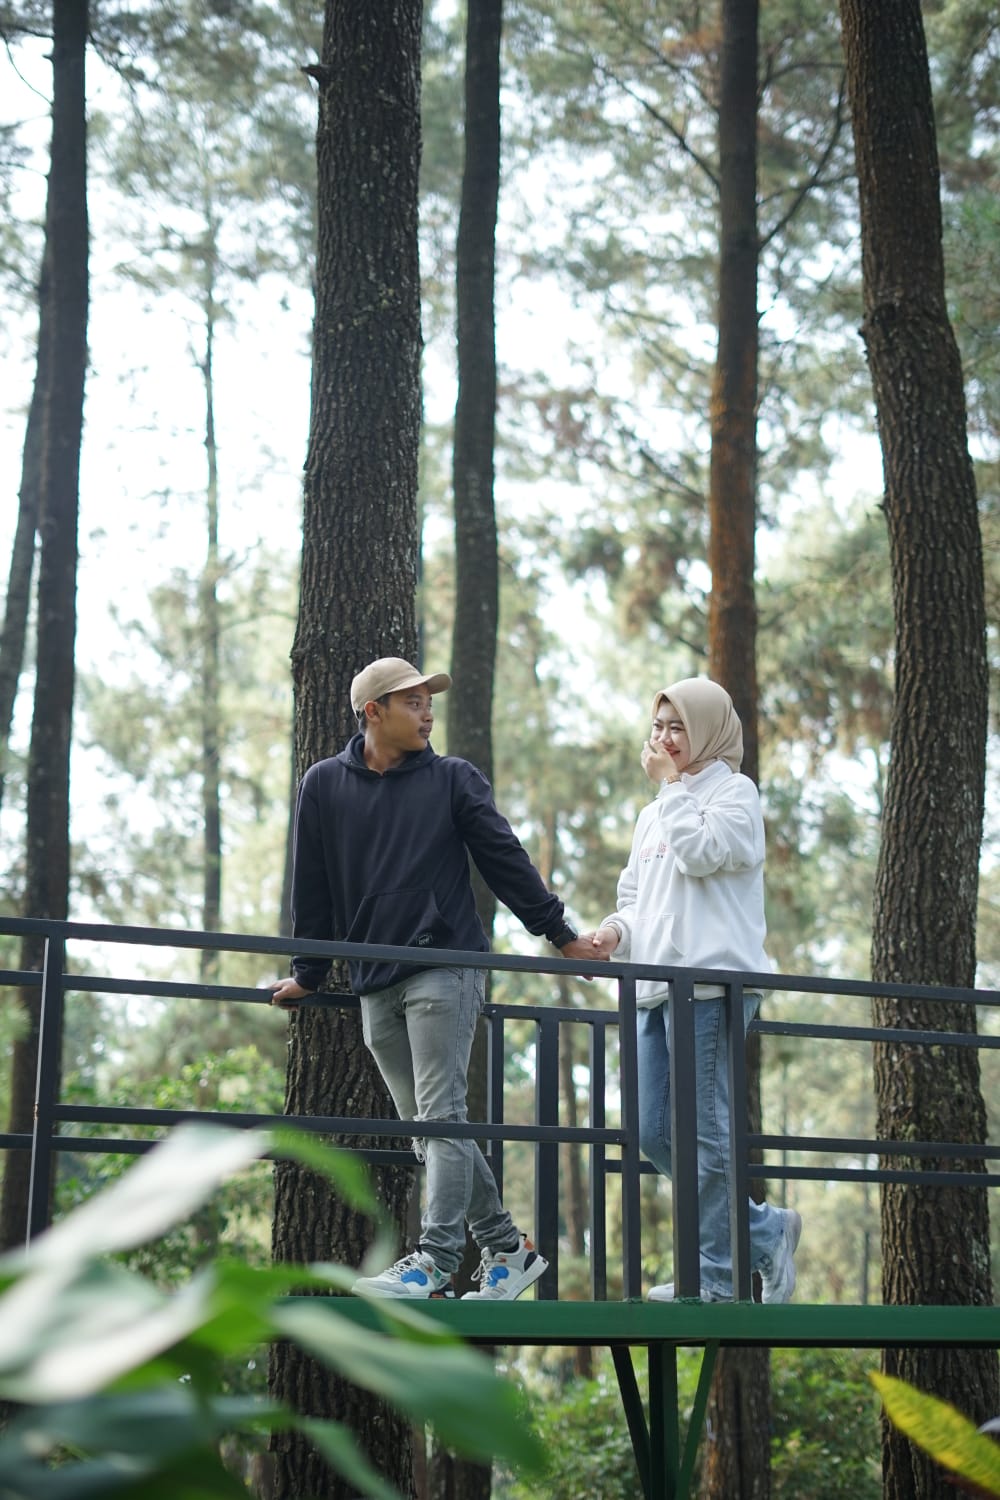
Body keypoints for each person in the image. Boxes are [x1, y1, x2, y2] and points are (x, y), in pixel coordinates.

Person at [271, 656, 594, 1301]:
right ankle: (508, 1249)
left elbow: (504, 858)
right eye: (413, 703)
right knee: (427, 1128)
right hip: (373, 978)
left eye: (429, 703)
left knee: (441, 1117)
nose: (427, 715)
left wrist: (559, 933)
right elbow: (312, 882)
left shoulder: (452, 779)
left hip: (445, 966)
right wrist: (310, 971)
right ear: (374, 712)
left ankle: (435, 1260)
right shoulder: (323, 784)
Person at [586, 677, 802, 1303]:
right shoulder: (653, 812)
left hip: (710, 985)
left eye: (677, 727)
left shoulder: (736, 794)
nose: (664, 738)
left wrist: (673, 788)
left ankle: (716, 1278)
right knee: (653, 1132)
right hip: (654, 987)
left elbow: (704, 854)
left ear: (707, 730)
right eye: (658, 727)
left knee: (704, 1132)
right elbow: (636, 896)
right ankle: (762, 1231)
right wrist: (613, 933)